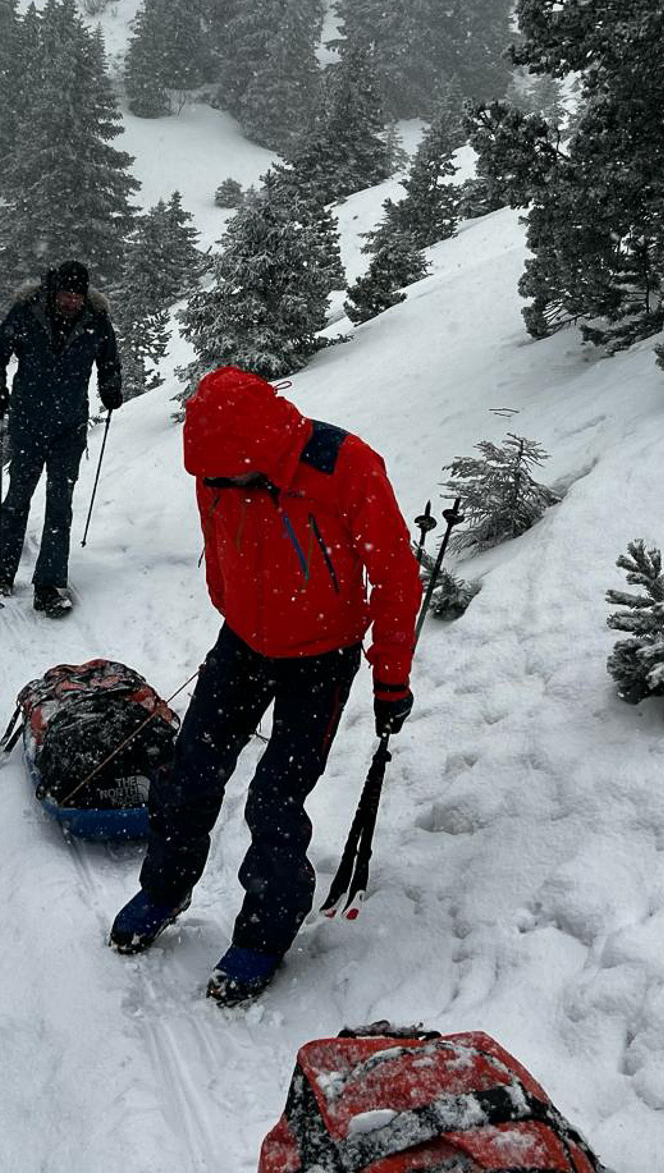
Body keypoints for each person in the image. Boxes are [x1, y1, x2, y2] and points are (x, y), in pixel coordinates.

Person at [109, 366, 423, 1005]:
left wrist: (389, 679)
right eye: (210, 477)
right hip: (244, 644)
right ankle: (164, 890)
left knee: (275, 799)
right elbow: (217, 541)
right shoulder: (218, 468)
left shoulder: (345, 466)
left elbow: (395, 578)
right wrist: (234, 610)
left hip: (322, 657)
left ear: (264, 452)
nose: (217, 486)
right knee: (190, 769)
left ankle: (265, 933)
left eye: (229, 476)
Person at [0, 260, 123, 616]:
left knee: (60, 504)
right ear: (52, 290)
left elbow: (110, 362)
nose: (71, 301)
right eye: (65, 294)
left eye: (77, 295)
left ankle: (49, 584)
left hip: (69, 428)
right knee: (17, 498)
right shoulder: (27, 312)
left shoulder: (96, 320)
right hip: (28, 423)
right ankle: (5, 569)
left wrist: (110, 387)